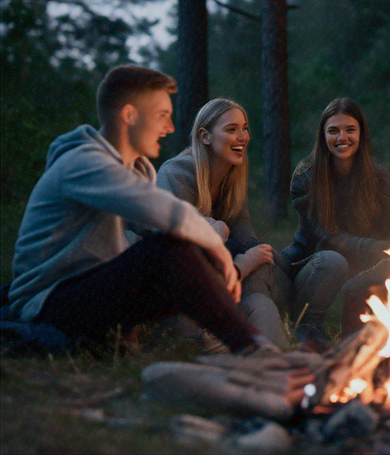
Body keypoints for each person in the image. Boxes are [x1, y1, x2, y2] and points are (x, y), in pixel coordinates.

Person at [7, 65, 278, 356]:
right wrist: (222, 253)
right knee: (169, 247)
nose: (171, 127)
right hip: (48, 303)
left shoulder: (135, 171)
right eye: (162, 115)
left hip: (88, 293)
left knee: (180, 247)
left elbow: (124, 251)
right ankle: (251, 346)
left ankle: (218, 340)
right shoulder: (83, 163)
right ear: (129, 116)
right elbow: (170, 216)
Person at [157, 98, 291, 349]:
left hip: (217, 271)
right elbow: (176, 244)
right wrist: (245, 260)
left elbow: (246, 234)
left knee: (266, 262)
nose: (243, 136)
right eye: (231, 130)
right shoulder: (176, 173)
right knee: (233, 247)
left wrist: (274, 259)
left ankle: (263, 333)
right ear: (205, 136)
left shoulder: (231, 174)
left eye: (245, 128)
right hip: (168, 280)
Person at [283, 97, 390, 342]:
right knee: (333, 260)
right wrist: (376, 247)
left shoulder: (378, 176)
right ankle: (306, 326)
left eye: (350, 129)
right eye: (333, 131)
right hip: (315, 260)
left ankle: (369, 336)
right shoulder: (306, 176)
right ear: (323, 136)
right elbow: (326, 237)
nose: (342, 138)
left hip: (364, 261)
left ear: (361, 133)